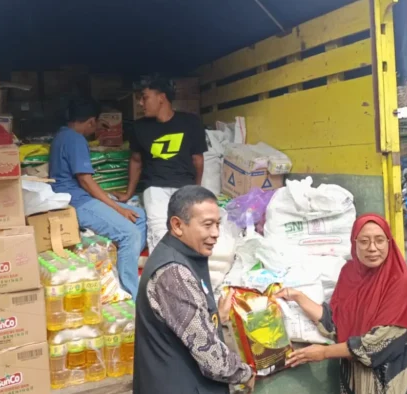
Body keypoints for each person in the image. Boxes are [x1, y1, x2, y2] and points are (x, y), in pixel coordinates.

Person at [278, 213, 407, 394]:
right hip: (359, 377)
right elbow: (336, 321)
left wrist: (324, 353)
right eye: (364, 241)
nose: (372, 248)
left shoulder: (400, 281)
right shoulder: (349, 274)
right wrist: (297, 296)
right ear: (354, 243)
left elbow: (380, 341)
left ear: (389, 242)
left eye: (379, 240)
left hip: (396, 375)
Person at [133, 186, 254, 394]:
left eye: (217, 224)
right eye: (207, 225)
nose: (215, 233)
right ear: (178, 225)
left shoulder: (184, 256)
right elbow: (211, 357)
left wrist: (217, 317)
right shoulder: (173, 274)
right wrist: (245, 374)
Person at [50, 98, 147, 299]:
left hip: (77, 198)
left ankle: (123, 264)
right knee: (129, 234)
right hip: (77, 202)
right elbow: (85, 180)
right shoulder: (75, 139)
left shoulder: (61, 135)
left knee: (140, 216)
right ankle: (132, 295)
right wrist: (118, 208)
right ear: (91, 122)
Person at [113, 77, 207, 253]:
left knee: (188, 232)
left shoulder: (191, 122)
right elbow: (136, 161)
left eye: (145, 97)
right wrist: (129, 193)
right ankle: (163, 274)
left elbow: (198, 160)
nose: (141, 103)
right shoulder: (139, 127)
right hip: (155, 188)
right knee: (159, 233)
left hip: (184, 186)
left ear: (161, 97)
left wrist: (196, 189)